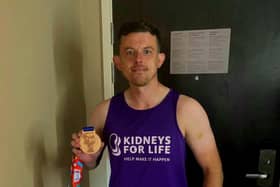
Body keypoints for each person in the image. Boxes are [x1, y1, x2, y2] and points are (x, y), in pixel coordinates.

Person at [71, 20, 223, 187]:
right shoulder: (103, 111)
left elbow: (213, 170)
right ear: (118, 62)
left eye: (147, 51)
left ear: (159, 59)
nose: (138, 59)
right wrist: (89, 158)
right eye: (129, 52)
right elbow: (91, 163)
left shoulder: (187, 109)